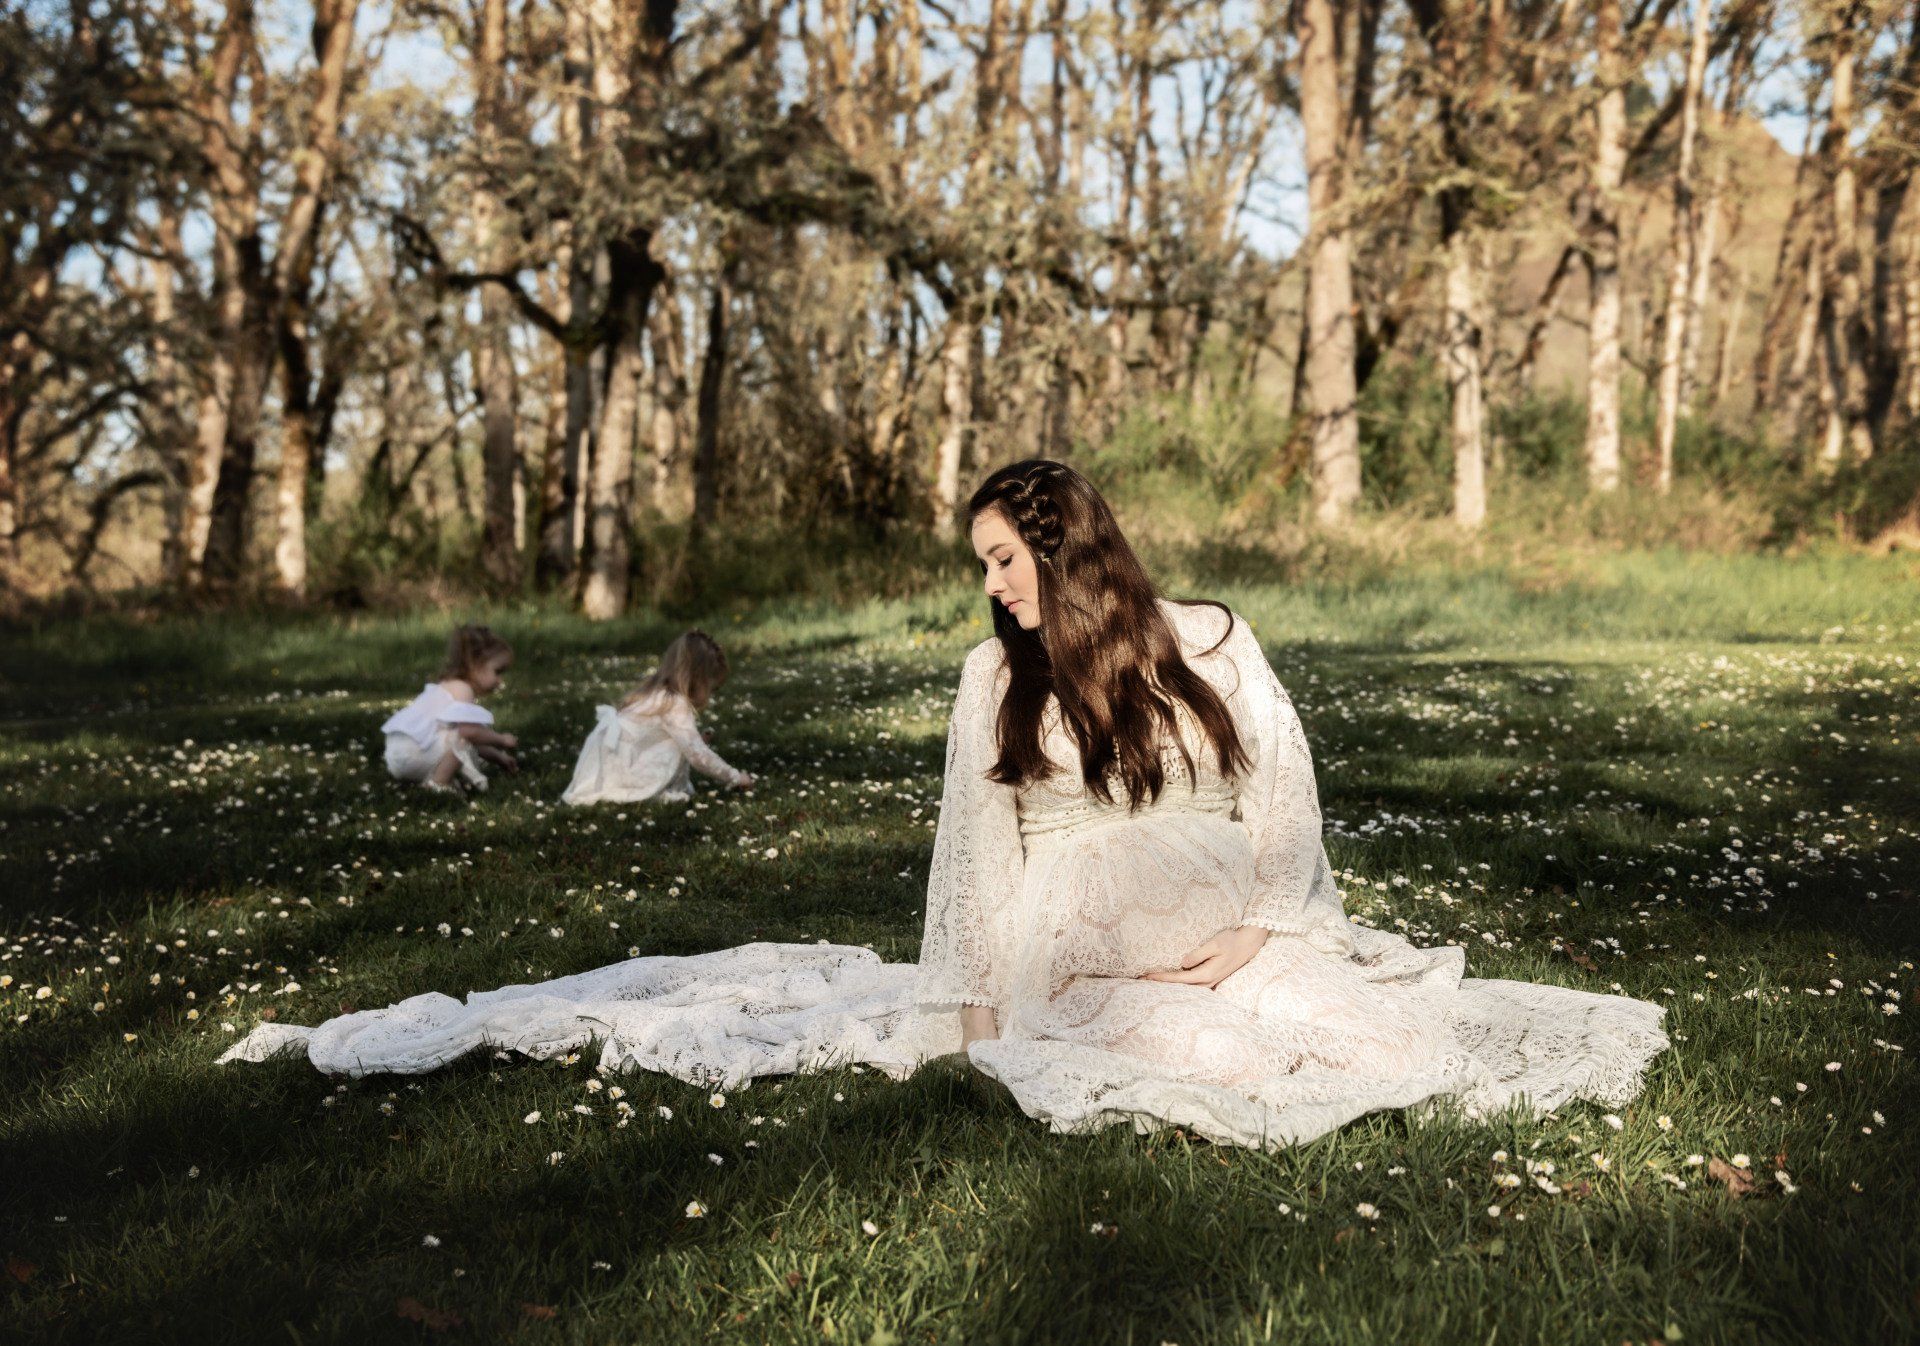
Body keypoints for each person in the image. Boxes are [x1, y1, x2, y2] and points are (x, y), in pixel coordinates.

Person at [227, 461, 1665, 1151]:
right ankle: (1138, 987)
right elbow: (978, 866)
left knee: (1353, 1030)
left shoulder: (1216, 638)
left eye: (1000, 556)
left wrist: (1260, 928)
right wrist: (979, 1023)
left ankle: (1207, 977)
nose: (990, 583)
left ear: (1061, 545)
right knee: (1165, 1025)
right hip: (1066, 942)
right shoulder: (995, 678)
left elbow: (1284, 805)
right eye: (982, 563)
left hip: (1222, 919)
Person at [561, 631, 755, 806]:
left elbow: (652, 739)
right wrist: (736, 777)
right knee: (686, 748)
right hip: (621, 768)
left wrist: (694, 741)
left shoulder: (655, 693)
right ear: (698, 679)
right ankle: (649, 792)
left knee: (681, 744)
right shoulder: (674, 703)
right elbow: (698, 756)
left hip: (606, 761)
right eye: (711, 686)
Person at [380, 625, 519, 793]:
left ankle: (430, 778)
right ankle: (439, 784)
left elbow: (470, 740)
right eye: (498, 671)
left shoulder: (446, 686)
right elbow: (469, 734)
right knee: (464, 734)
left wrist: (499, 757)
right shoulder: (463, 689)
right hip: (415, 754)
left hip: (397, 756)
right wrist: (501, 739)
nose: (500, 681)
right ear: (475, 664)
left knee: (461, 735)